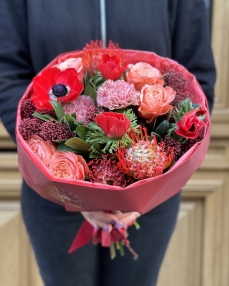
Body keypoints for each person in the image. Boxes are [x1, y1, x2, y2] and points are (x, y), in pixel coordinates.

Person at [0, 1, 215, 285]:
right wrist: (53, 162)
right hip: (56, 189)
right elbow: (7, 73)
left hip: (151, 191)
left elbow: (195, 79)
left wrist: (149, 185)